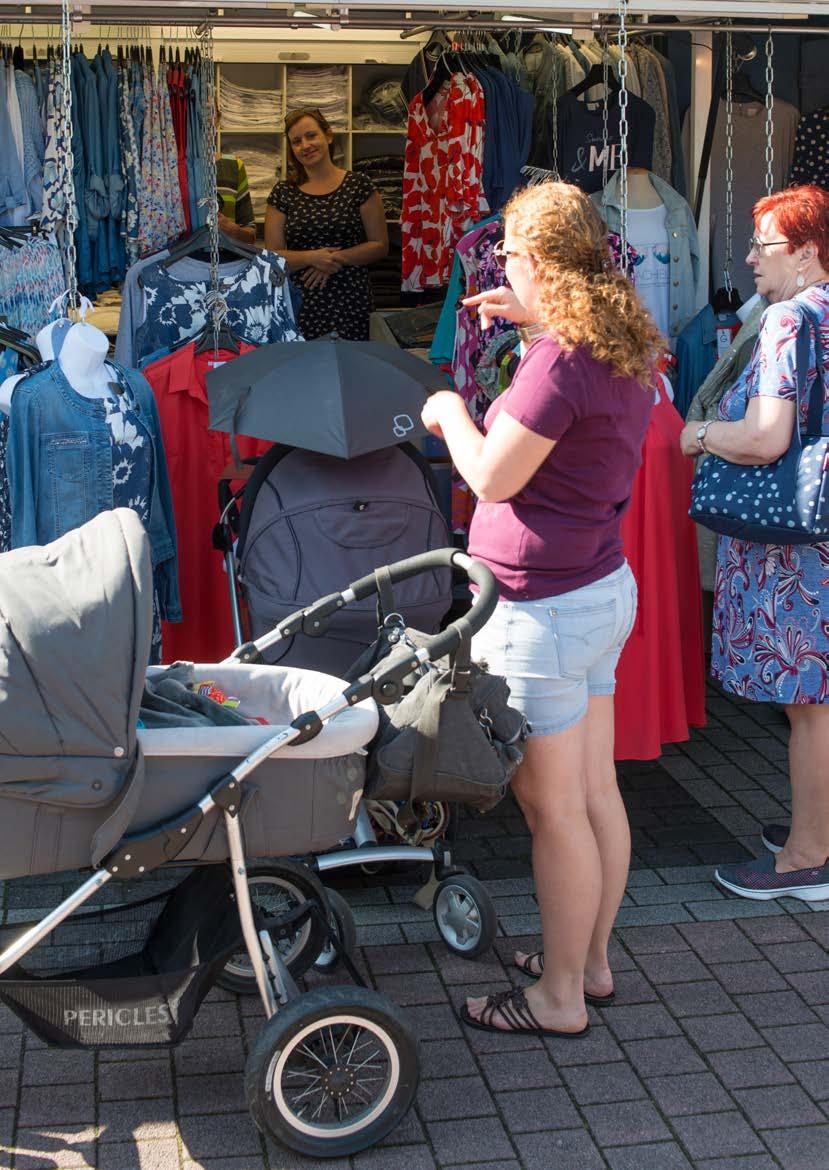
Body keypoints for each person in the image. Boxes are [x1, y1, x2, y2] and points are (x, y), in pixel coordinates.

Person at [421, 182, 661, 1038]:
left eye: (511, 256)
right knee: (594, 793)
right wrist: (525, 323)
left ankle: (558, 998)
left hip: (542, 607)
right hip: (594, 589)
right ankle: (587, 963)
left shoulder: (561, 357)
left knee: (552, 809)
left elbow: (490, 476)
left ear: (539, 261)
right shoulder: (614, 335)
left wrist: (449, 410)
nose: (501, 267)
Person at [679, 184, 829, 903]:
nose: (747, 257)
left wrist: (700, 435)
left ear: (804, 252)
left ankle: (805, 859)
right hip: (821, 525)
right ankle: (816, 829)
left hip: (795, 543)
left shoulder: (787, 322)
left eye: (763, 244)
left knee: (809, 704)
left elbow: (766, 436)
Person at [264, 107, 388, 340]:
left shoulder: (359, 185)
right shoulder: (283, 193)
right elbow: (272, 256)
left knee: (353, 371)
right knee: (301, 372)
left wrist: (333, 259)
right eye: (296, 141)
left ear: (328, 136)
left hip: (351, 303)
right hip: (299, 303)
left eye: (311, 135)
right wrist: (312, 258)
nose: (305, 145)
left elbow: (379, 244)